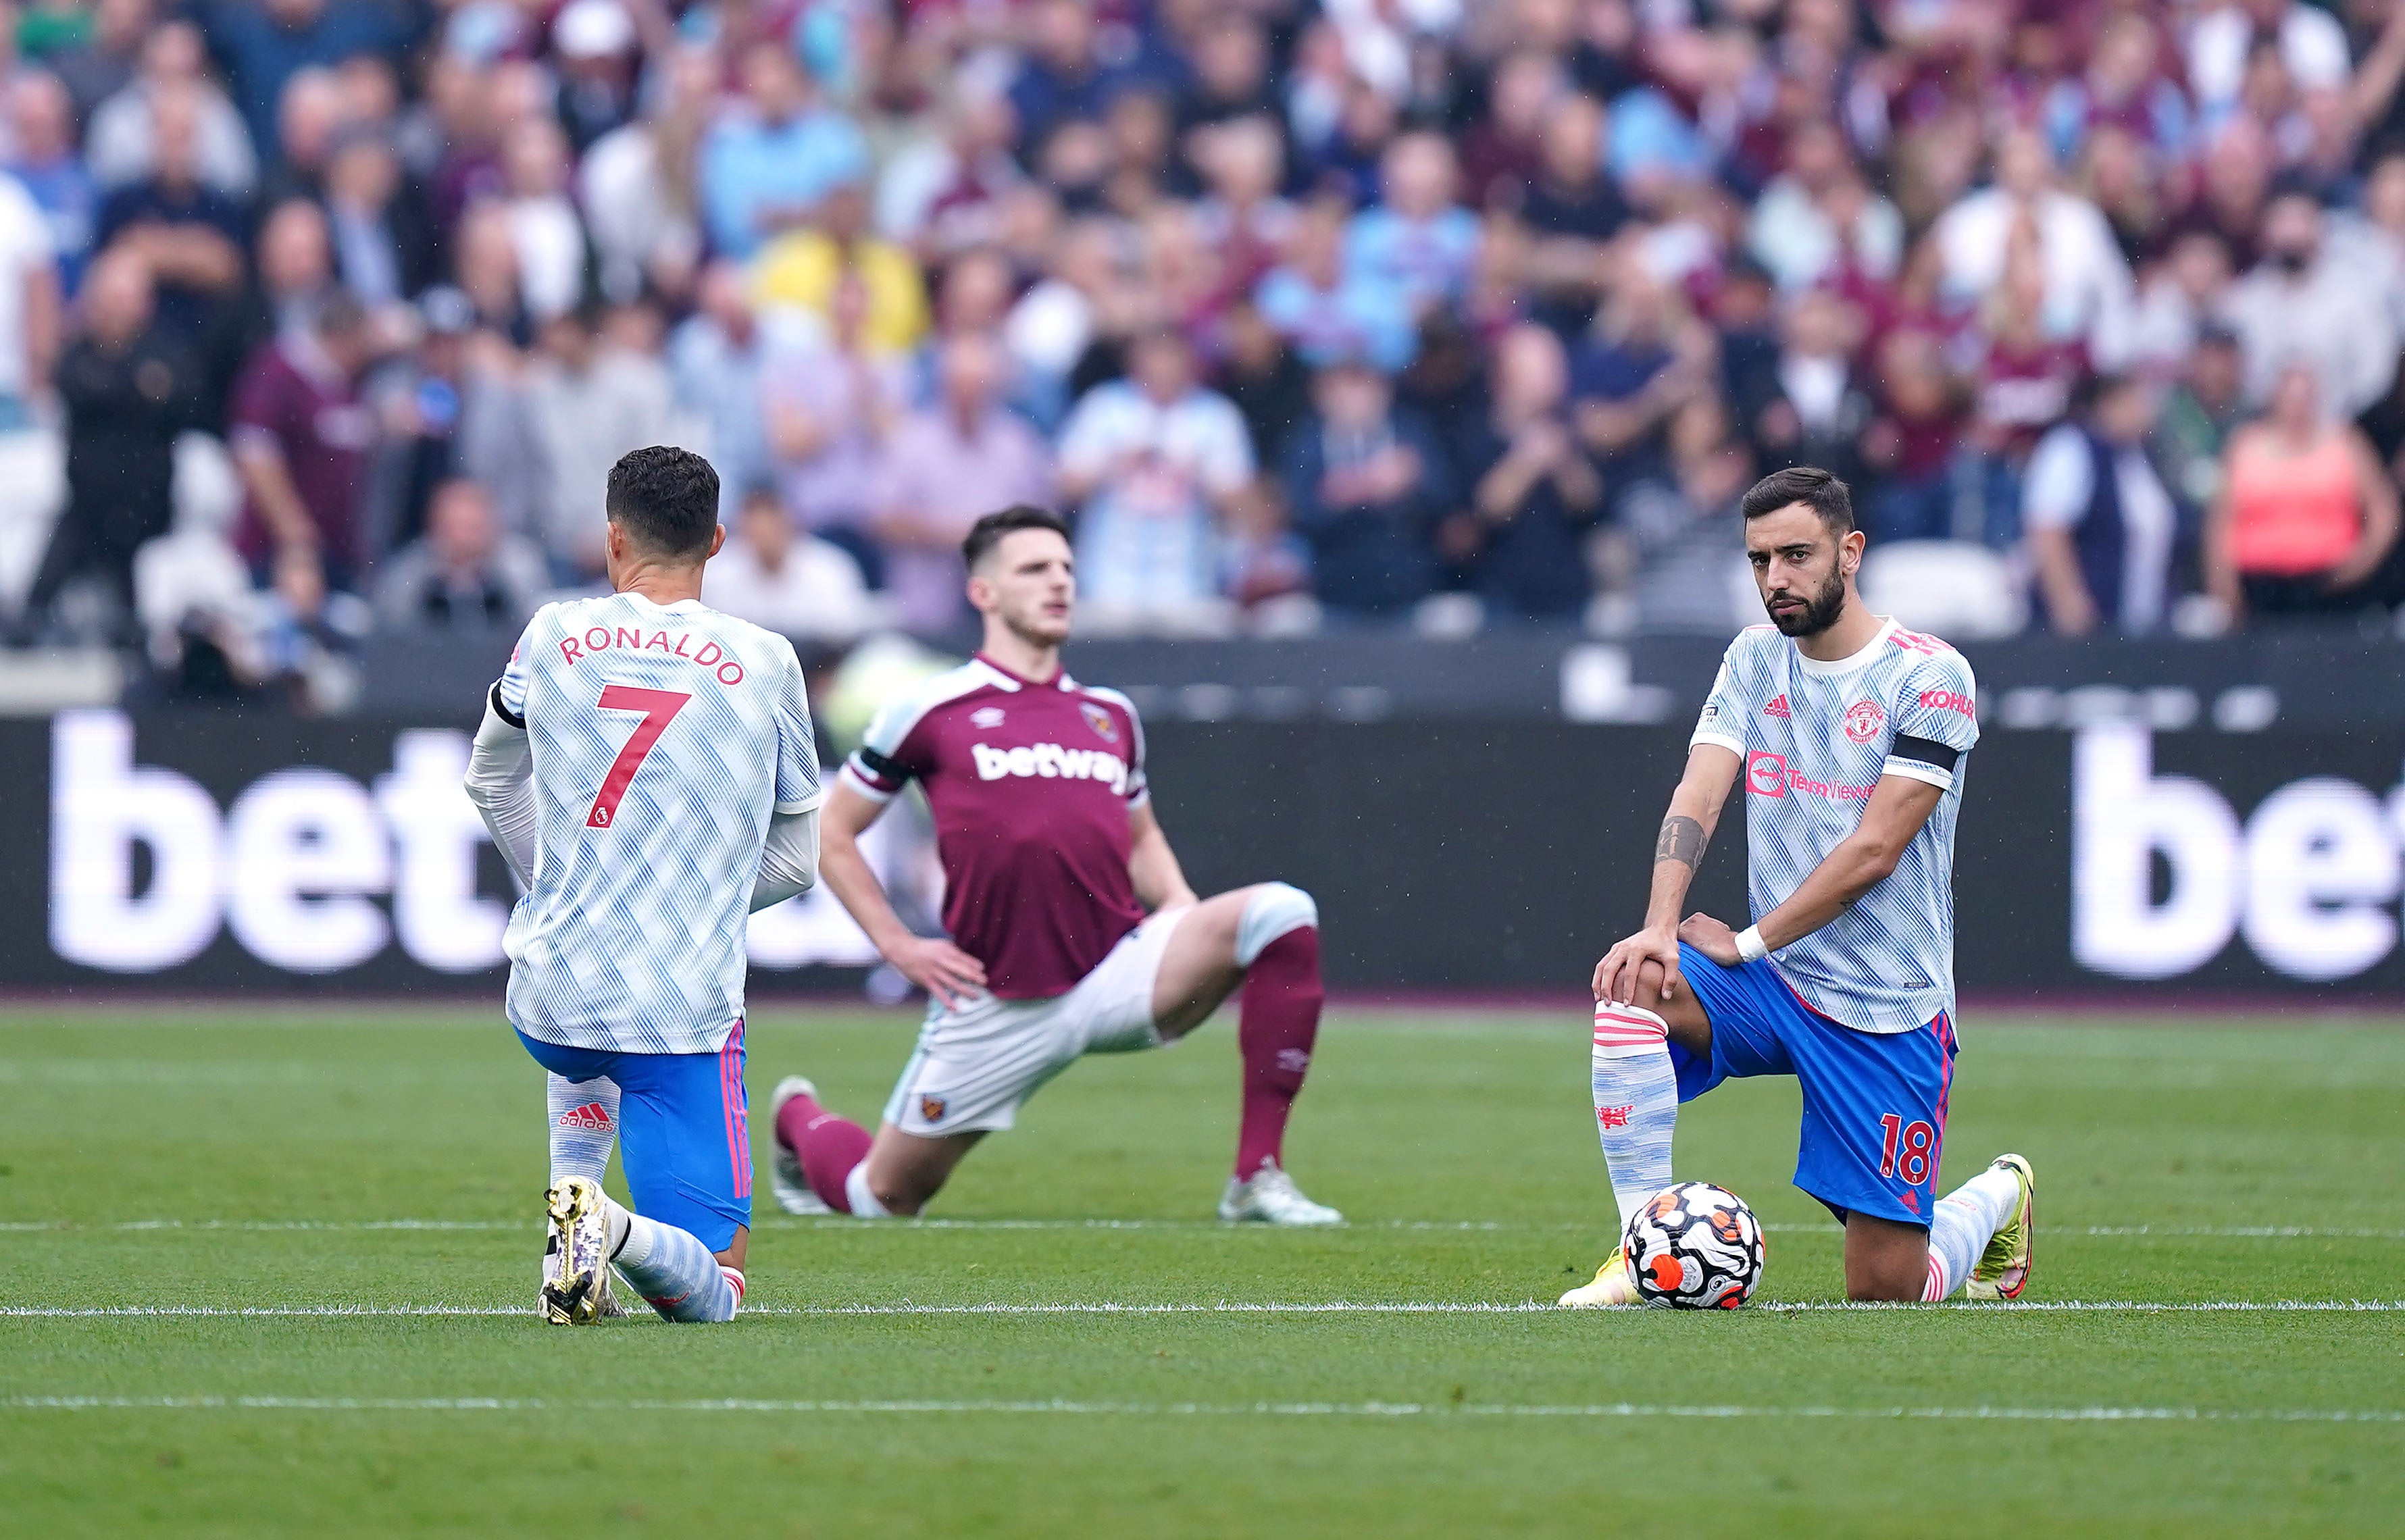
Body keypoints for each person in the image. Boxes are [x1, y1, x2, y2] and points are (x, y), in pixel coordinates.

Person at [767, 505, 1343, 1226]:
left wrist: (1178, 907)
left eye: (1067, 568)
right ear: (983, 593)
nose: (1058, 583)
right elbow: (833, 832)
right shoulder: (928, 707)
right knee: (879, 1199)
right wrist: (898, 945)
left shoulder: (1109, 715)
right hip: (994, 997)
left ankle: (1255, 1178)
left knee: (1281, 913)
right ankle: (797, 1119)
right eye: (1034, 569)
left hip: (1114, 969)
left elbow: (1139, 837)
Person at [1565, 466, 2033, 1307]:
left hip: (1882, 1004)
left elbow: (1875, 851)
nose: (1775, 579)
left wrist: (1744, 941)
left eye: (1796, 555)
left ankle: (1998, 1193)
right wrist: (1660, 925)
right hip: (1773, 982)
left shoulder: (1929, 677)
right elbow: (1698, 793)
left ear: (1849, 553)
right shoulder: (1751, 657)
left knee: (1886, 1290)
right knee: (1633, 984)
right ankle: (1639, 1250)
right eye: (1758, 561)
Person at [461, 445, 825, 1325]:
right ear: (719, 542)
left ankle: (572, 1189)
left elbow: (490, 777)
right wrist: (687, 903)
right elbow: (800, 857)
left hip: (549, 998)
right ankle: (604, 1228)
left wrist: (560, 883)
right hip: (678, 1011)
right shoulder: (767, 659)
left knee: (585, 1048)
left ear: (612, 538)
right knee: (714, 1294)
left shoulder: (551, 634)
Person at [14, 249, 207, 643]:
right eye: (109, 299)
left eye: (126, 300)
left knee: (136, 613)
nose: (117, 311)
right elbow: (76, 386)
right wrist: (138, 387)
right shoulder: (78, 352)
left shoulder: (167, 351)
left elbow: (189, 399)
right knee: (34, 606)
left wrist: (120, 387)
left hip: (147, 509)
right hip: (86, 507)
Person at [2206, 363, 2403, 621]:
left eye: (2304, 397)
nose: (2297, 407)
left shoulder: (2344, 443)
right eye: (2291, 397)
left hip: (2330, 584)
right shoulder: (2245, 445)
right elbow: (2221, 522)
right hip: (2259, 586)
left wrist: (2362, 562)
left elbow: (2384, 512)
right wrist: (2222, 582)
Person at [2022, 374, 2180, 635]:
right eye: (2136, 402)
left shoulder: (2139, 455)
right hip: (2090, 619)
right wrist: (2068, 599)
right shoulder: (2071, 447)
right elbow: (2048, 530)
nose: (2145, 411)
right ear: (2108, 404)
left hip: (2139, 619)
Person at [370, 477, 548, 630]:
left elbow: (536, 624)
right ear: (435, 528)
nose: (464, 540)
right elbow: (391, 629)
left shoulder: (521, 569)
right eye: (455, 527)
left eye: (473, 528)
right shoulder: (409, 575)